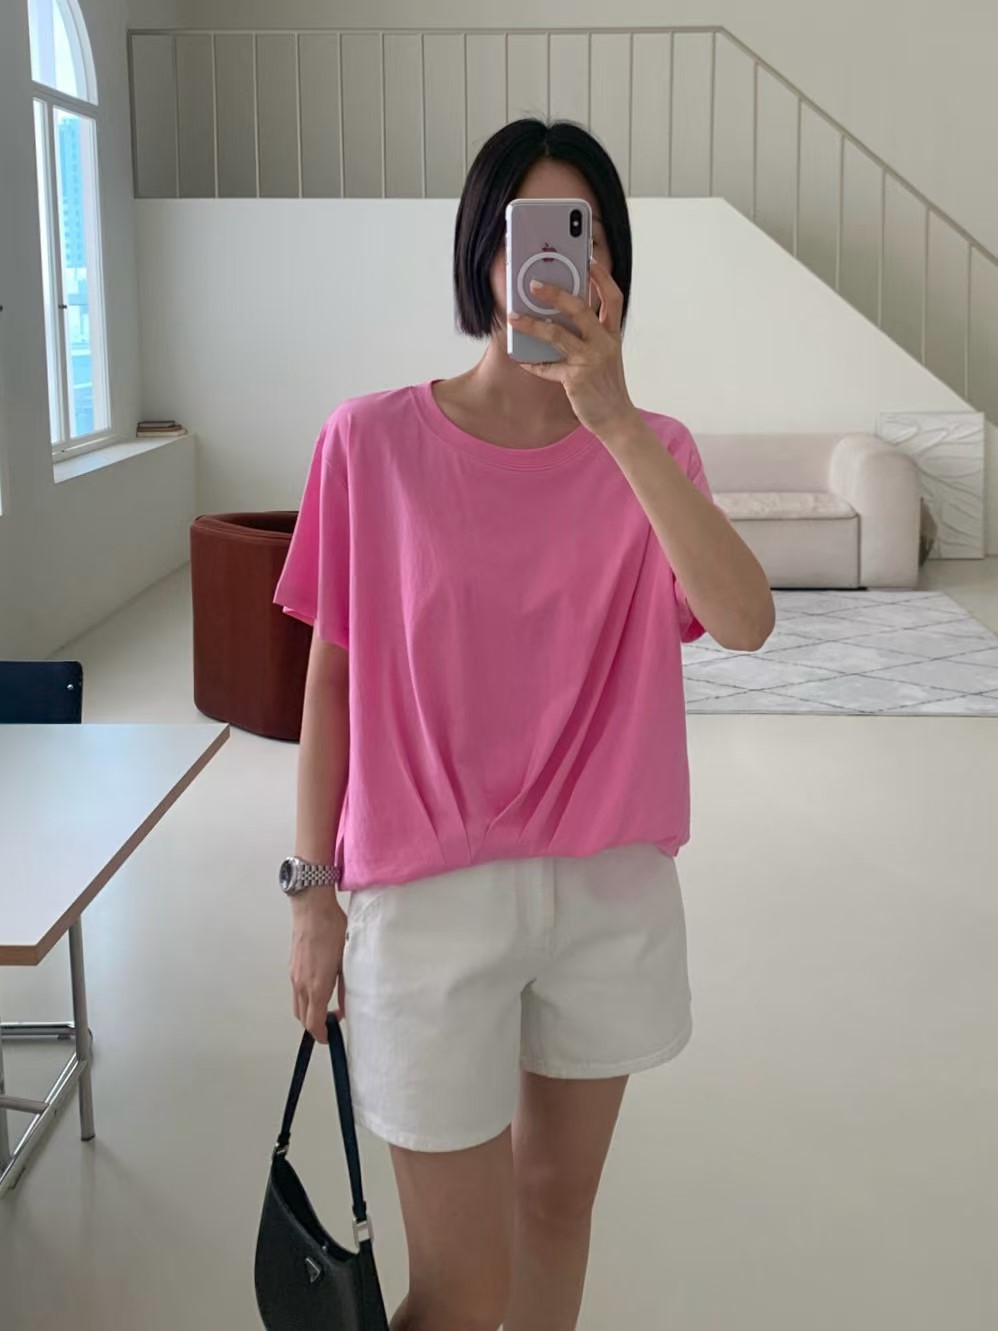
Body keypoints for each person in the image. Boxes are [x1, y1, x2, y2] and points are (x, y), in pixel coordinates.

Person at [274, 118, 774, 1331]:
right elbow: (329, 680)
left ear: (610, 265)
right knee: (461, 1288)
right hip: (425, 898)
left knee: (555, 1209)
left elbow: (743, 620)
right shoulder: (370, 441)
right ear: (480, 252)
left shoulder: (653, 450)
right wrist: (309, 892)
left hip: (609, 888)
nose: (554, 263)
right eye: (527, 232)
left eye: (582, 236)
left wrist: (614, 420)